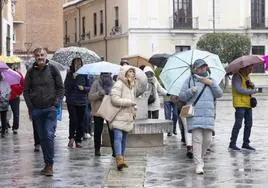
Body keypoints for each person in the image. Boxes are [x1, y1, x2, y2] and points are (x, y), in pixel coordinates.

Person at [23, 47, 64, 176]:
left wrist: (56, 103)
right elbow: (25, 91)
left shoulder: (53, 69)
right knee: (42, 138)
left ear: (46, 56)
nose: (40, 57)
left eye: (42, 55)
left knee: (49, 135)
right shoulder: (30, 72)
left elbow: (60, 88)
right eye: (37, 55)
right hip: (37, 110)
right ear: (35, 57)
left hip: (50, 109)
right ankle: (47, 164)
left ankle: (50, 164)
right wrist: (31, 107)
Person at [179, 59, 223, 174]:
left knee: (208, 140)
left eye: (204, 66)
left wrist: (211, 84)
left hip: (208, 115)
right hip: (194, 115)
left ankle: (200, 158)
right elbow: (182, 96)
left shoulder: (211, 80)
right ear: (195, 69)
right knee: (197, 140)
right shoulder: (189, 81)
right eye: (200, 67)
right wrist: (190, 91)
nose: (203, 68)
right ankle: (198, 164)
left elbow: (219, 94)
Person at [110, 65, 136, 170]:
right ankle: (119, 160)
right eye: (130, 71)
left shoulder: (131, 85)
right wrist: (129, 103)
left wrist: (135, 109)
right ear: (125, 73)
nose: (133, 73)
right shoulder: (119, 84)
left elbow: (132, 100)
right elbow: (114, 99)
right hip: (118, 115)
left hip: (128, 116)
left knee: (124, 139)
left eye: (133, 72)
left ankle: (122, 159)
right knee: (118, 137)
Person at [228, 65, 257, 151]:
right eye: (250, 68)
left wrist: (252, 85)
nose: (251, 70)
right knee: (238, 124)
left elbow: (252, 87)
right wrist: (252, 91)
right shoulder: (237, 76)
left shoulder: (246, 76)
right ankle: (232, 143)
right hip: (240, 104)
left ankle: (246, 143)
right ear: (244, 68)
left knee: (249, 124)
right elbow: (238, 89)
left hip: (247, 103)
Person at [64, 57, 91, 148]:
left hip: (82, 101)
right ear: (73, 64)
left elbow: (89, 87)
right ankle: (71, 138)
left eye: (79, 63)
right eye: (76, 63)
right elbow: (66, 87)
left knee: (81, 121)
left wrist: (84, 88)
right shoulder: (69, 74)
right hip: (72, 100)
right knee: (73, 119)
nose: (77, 65)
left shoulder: (85, 74)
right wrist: (73, 79)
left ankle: (78, 139)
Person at [89, 72, 115, 157]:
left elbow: (116, 96)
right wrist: (99, 94)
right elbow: (90, 97)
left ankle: (114, 150)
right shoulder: (96, 83)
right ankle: (97, 149)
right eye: (104, 75)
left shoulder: (113, 83)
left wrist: (110, 95)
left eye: (107, 75)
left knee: (112, 130)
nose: (106, 77)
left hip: (109, 110)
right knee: (97, 131)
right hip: (98, 111)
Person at [8, 64, 24, 134]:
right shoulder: (2, 74)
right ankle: (5, 125)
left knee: (16, 113)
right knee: (4, 113)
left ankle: (15, 128)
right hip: (4, 97)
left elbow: (23, 84)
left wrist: (19, 93)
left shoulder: (17, 74)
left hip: (15, 97)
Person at [0, 73, 11, 138]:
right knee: (3, 117)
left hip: (3, 102)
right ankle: (3, 130)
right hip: (4, 102)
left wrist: (4, 98)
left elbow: (8, 92)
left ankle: (3, 131)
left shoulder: (5, 82)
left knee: (3, 117)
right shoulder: (5, 83)